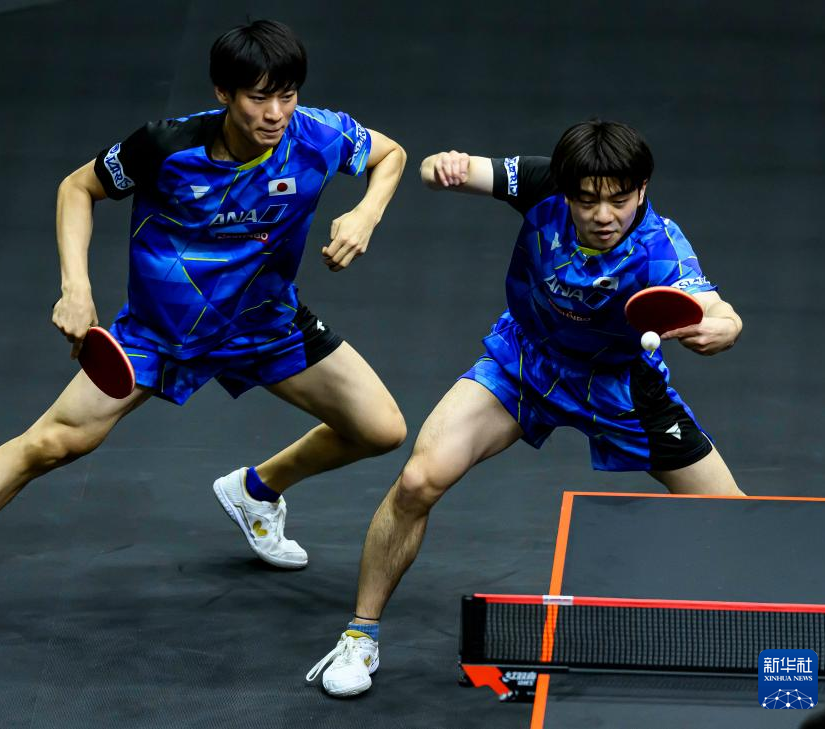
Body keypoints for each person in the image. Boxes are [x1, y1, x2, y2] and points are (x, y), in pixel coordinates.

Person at [0, 19, 407, 636]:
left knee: (382, 429)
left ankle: (256, 491)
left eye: (286, 95)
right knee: (51, 444)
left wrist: (366, 213)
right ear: (223, 94)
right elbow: (77, 188)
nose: (275, 113)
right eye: (259, 97)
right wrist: (76, 287)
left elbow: (390, 154)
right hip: (159, 334)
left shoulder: (317, 134)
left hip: (264, 324)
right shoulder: (165, 146)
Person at [306, 120, 744, 696]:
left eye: (619, 199)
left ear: (642, 189)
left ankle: (769, 645)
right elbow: (447, 169)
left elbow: (716, 309)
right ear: (566, 189)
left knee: (732, 517)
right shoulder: (542, 183)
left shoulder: (661, 248)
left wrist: (724, 328)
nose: (604, 216)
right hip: (524, 362)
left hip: (618, 387)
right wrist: (443, 167)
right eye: (587, 200)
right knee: (417, 480)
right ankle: (359, 635)